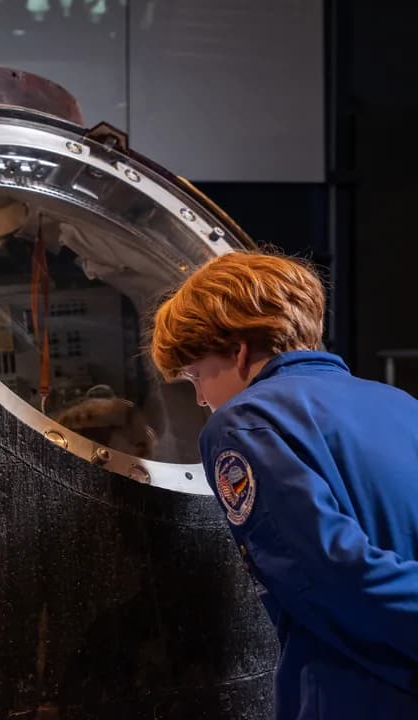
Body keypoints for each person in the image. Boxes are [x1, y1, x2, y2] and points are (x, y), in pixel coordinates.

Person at [150, 250, 418, 719]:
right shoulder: (400, 403)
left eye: (196, 375)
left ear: (237, 350)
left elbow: (327, 573)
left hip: (359, 692)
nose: (199, 398)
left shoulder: (242, 423)